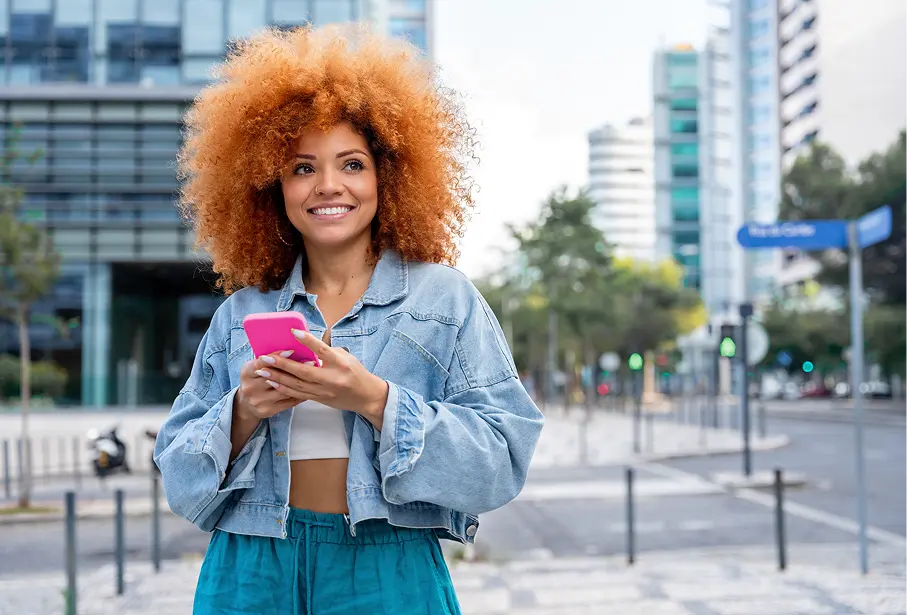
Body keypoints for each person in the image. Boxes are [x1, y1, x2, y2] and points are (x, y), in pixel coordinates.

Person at [154, 24, 544, 616]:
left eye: (352, 164)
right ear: (272, 186)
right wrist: (241, 412)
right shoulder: (243, 314)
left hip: (388, 565)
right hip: (249, 566)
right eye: (303, 168)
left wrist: (375, 399)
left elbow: (502, 462)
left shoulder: (444, 299)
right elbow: (178, 478)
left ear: (388, 175)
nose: (328, 186)